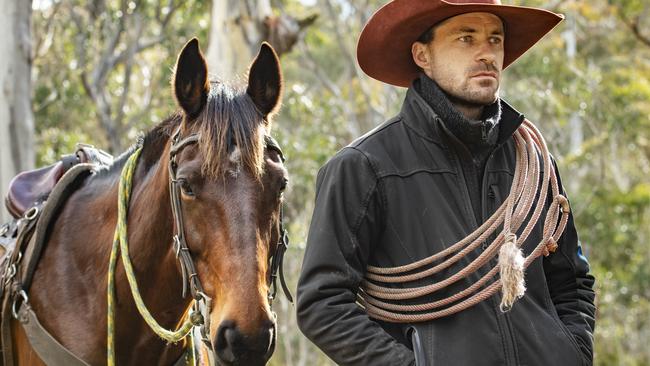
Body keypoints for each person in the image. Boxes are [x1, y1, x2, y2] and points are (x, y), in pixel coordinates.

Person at [295, 0, 596, 365]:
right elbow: (322, 304)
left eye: (495, 39)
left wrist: (573, 352)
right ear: (422, 55)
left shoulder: (533, 162)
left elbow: (572, 281)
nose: (487, 54)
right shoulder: (364, 167)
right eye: (466, 39)